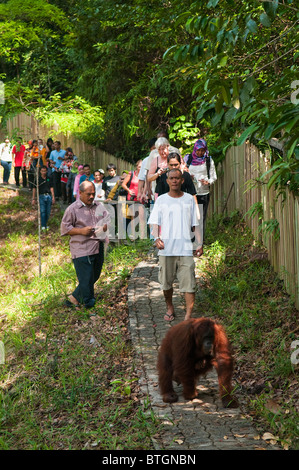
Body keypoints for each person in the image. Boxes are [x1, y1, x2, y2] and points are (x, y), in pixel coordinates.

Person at [148, 168, 203, 322]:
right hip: (166, 249)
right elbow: (154, 223)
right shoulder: (162, 200)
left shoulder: (189, 200)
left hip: (185, 249)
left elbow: (195, 224)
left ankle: (187, 316)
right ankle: (170, 307)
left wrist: (199, 243)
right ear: (167, 181)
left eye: (177, 178)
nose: (174, 181)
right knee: (166, 284)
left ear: (182, 180)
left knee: (189, 284)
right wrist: (156, 238)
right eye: (171, 178)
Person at [60, 180, 110, 309]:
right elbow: (65, 229)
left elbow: (108, 220)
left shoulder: (98, 206)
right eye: (88, 194)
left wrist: (103, 227)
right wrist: (81, 231)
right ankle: (89, 305)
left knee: (95, 275)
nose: (91, 197)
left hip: (97, 246)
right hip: (81, 248)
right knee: (86, 278)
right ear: (80, 193)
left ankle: (73, 299)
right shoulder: (72, 209)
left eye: (93, 193)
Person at [184, 138, 217, 238]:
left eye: (202, 150)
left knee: (200, 217)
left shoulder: (208, 160)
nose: (200, 152)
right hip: (190, 192)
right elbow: (183, 171)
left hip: (203, 192)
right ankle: (190, 238)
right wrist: (188, 176)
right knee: (190, 217)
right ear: (194, 149)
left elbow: (214, 177)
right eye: (198, 150)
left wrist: (208, 182)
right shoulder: (188, 159)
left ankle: (200, 241)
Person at [32, 166, 55, 230]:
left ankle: (45, 224)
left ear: (47, 171)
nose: (43, 172)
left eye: (45, 171)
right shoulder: (38, 179)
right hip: (41, 196)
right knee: (43, 211)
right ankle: (43, 226)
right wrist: (34, 198)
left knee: (48, 211)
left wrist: (53, 197)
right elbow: (34, 188)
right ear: (40, 171)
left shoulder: (49, 178)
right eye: (42, 171)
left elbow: (51, 187)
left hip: (48, 196)